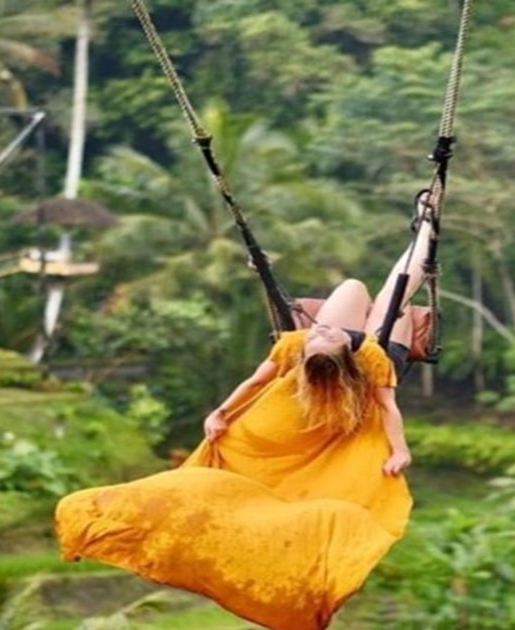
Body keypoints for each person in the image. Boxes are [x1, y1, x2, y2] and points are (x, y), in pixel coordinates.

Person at [55, 192, 438, 630]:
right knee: (387, 297)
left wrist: (398, 451)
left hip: (361, 359)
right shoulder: (335, 352)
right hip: (379, 350)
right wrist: (221, 412)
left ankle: (423, 230)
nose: (320, 330)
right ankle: (426, 229)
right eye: (318, 333)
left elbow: (372, 405)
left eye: (321, 333)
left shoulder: (333, 352)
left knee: (373, 292)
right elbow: (369, 405)